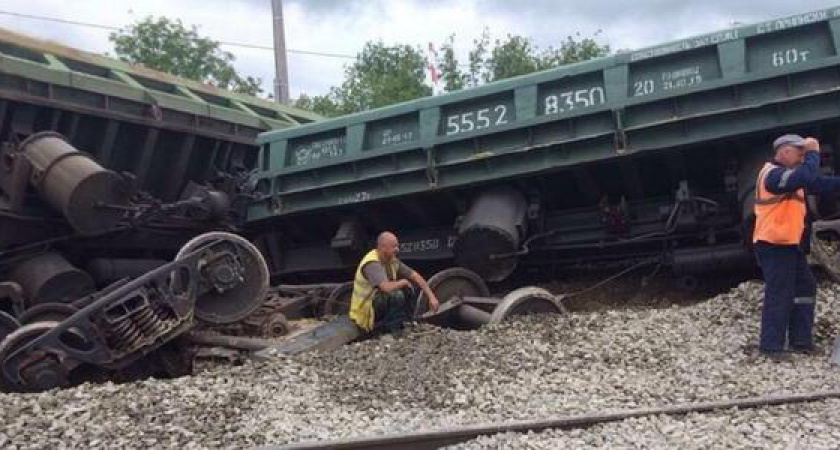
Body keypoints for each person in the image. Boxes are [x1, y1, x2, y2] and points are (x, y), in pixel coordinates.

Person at [753, 134, 840, 361]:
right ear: (784, 152)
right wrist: (813, 153)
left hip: (789, 244)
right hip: (773, 243)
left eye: (804, 154)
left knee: (804, 287)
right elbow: (807, 175)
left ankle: (801, 341)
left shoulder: (794, 177)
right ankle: (771, 347)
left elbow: (818, 183)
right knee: (780, 292)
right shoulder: (772, 175)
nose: (802, 157)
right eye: (798, 152)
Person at [349, 231, 440, 335]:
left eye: (397, 246)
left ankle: (405, 323)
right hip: (365, 311)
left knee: (409, 287)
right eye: (394, 246)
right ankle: (390, 331)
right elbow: (386, 287)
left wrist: (431, 297)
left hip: (376, 303)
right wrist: (402, 282)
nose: (397, 249)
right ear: (383, 247)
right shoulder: (372, 263)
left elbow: (416, 276)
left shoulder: (392, 260)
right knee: (397, 295)